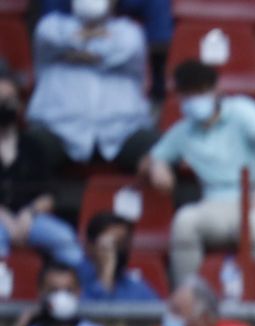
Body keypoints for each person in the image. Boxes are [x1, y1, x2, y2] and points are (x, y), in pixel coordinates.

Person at [142, 60, 255, 286]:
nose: (195, 100)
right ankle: (189, 297)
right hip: (215, 206)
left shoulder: (241, 109)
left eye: (200, 92)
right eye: (188, 94)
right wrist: (157, 168)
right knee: (184, 221)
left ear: (217, 89)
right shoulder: (183, 130)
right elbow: (152, 158)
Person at [26, 0, 158, 174]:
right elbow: (50, 37)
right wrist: (92, 41)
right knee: (26, 150)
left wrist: (75, 50)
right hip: (59, 129)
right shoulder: (52, 25)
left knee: (160, 153)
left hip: (121, 131)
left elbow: (121, 47)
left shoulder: (129, 31)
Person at [0, 72, 84, 269]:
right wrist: (5, 219)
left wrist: (28, 214)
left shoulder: (34, 146)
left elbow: (49, 195)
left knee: (66, 240)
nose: (4, 104)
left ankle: (73, 293)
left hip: (31, 220)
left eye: (9, 99)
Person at [38, 0, 173, 102]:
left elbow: (132, 43)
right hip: (72, 15)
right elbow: (48, 30)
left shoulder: (130, 35)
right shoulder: (49, 28)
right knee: (51, 32)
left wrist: (81, 53)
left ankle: (157, 90)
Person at [78, 210, 161, 301]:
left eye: (122, 244)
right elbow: (93, 312)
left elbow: (158, 311)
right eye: (112, 244)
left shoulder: (135, 286)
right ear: (90, 246)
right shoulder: (74, 279)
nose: (116, 251)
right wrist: (107, 272)